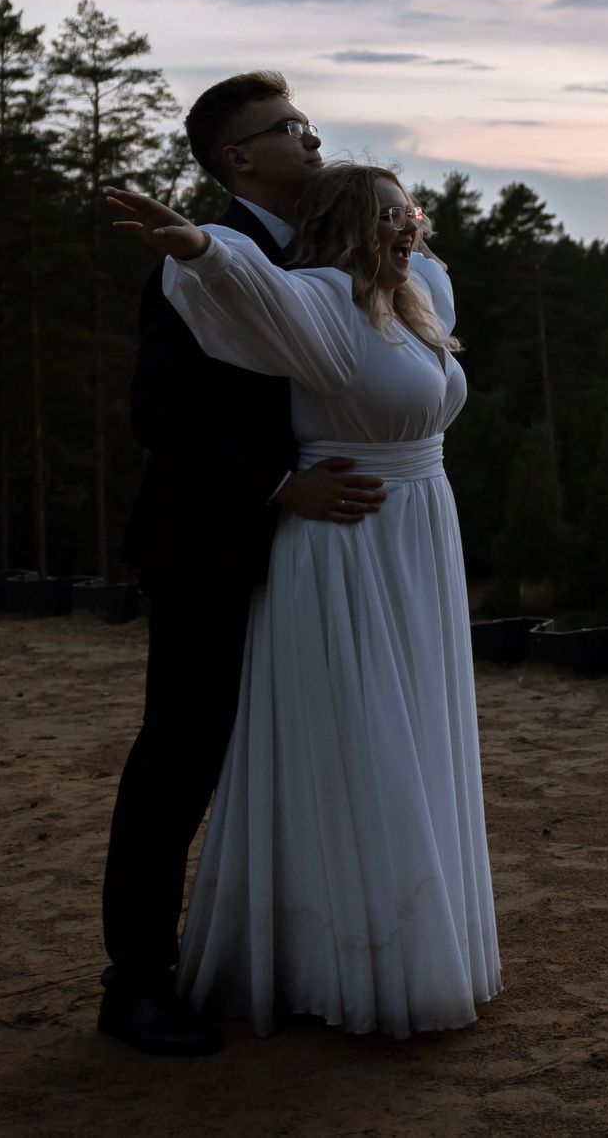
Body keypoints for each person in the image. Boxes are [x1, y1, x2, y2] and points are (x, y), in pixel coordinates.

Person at [104, 163, 500, 1039]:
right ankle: (155, 975)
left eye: (413, 211)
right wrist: (201, 246)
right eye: (392, 215)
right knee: (337, 741)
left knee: (410, 733)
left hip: (416, 540)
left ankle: (405, 942)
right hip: (338, 542)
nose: (412, 227)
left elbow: (421, 286)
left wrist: (406, 244)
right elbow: (251, 294)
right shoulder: (313, 294)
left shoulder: (408, 293)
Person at [99, 73, 387, 1057]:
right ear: (238, 160)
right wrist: (280, 487)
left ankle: (300, 958)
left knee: (305, 754)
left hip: (318, 560)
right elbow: (160, 417)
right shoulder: (194, 265)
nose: (312, 141)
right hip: (214, 549)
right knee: (181, 760)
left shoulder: (320, 253)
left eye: (308, 125)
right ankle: (135, 983)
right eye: (288, 130)